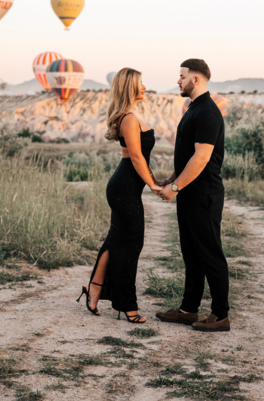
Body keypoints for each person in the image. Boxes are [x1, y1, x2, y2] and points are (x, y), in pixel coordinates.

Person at [77, 68, 162, 323]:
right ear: (130, 87)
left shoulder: (130, 116)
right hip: (124, 188)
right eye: (141, 83)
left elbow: (141, 160)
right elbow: (136, 158)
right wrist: (155, 188)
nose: (145, 87)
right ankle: (127, 305)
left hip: (125, 187)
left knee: (116, 241)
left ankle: (93, 290)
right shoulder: (128, 118)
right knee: (131, 245)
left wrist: (156, 180)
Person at [157, 59, 230, 332]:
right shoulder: (193, 108)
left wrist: (174, 189)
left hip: (204, 195)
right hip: (190, 192)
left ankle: (221, 315)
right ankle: (188, 309)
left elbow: (201, 158)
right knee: (191, 254)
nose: (178, 81)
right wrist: (174, 179)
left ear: (196, 79)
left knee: (210, 254)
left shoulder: (208, 112)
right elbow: (189, 155)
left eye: (182, 76)